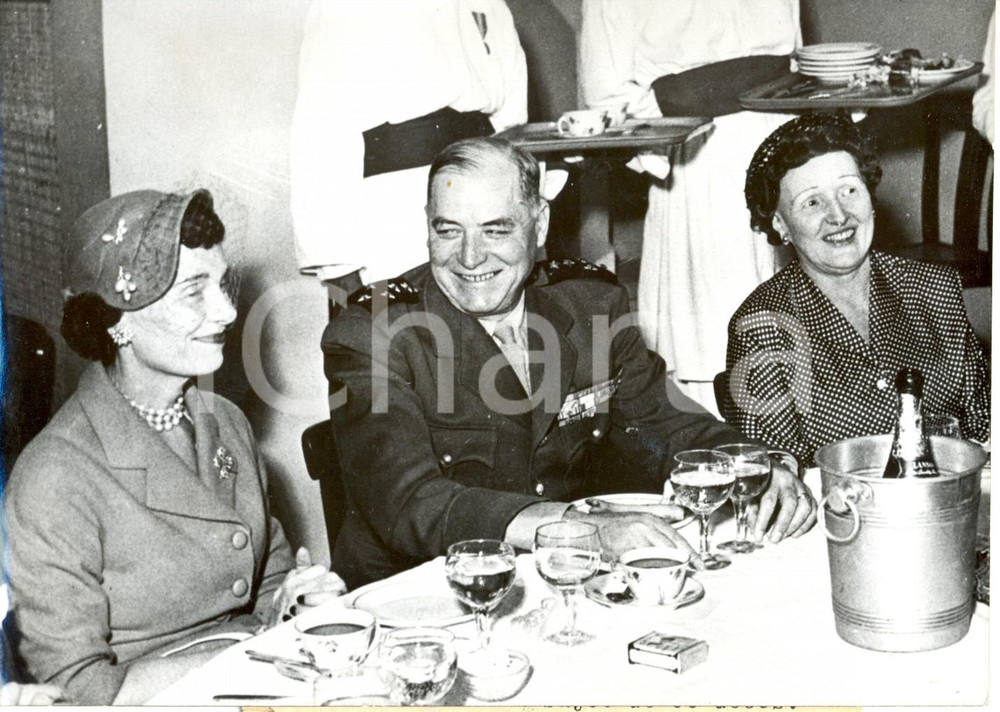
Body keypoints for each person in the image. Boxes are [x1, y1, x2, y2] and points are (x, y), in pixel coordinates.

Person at [321, 138, 815, 590]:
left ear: (540, 224)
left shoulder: (590, 303)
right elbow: (411, 500)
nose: (470, 257)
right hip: (415, 596)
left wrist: (759, 464)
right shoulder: (373, 332)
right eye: (448, 230)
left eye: (495, 230)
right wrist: (577, 529)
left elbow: (666, 423)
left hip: (558, 579)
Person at [3, 189, 346, 705]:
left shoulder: (225, 422)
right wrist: (252, 648)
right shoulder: (54, 479)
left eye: (222, 284)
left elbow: (270, 582)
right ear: (117, 321)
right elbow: (80, 691)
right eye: (193, 292)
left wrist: (297, 600)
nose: (227, 311)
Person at [723, 113, 991, 467]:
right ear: (780, 223)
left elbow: (983, 430)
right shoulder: (762, 326)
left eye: (849, 190)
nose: (839, 215)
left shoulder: (933, 288)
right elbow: (772, 471)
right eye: (812, 202)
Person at [579, 0, 800, 414]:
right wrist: (683, 102)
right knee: (715, 347)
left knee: (800, 342)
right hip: (700, 165)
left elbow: (794, 62)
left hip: (787, 156)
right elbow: (604, 97)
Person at [290, 0, 528, 298]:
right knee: (406, 322)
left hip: (486, 191)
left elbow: (513, 116)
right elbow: (319, 136)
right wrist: (340, 270)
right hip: (396, 214)